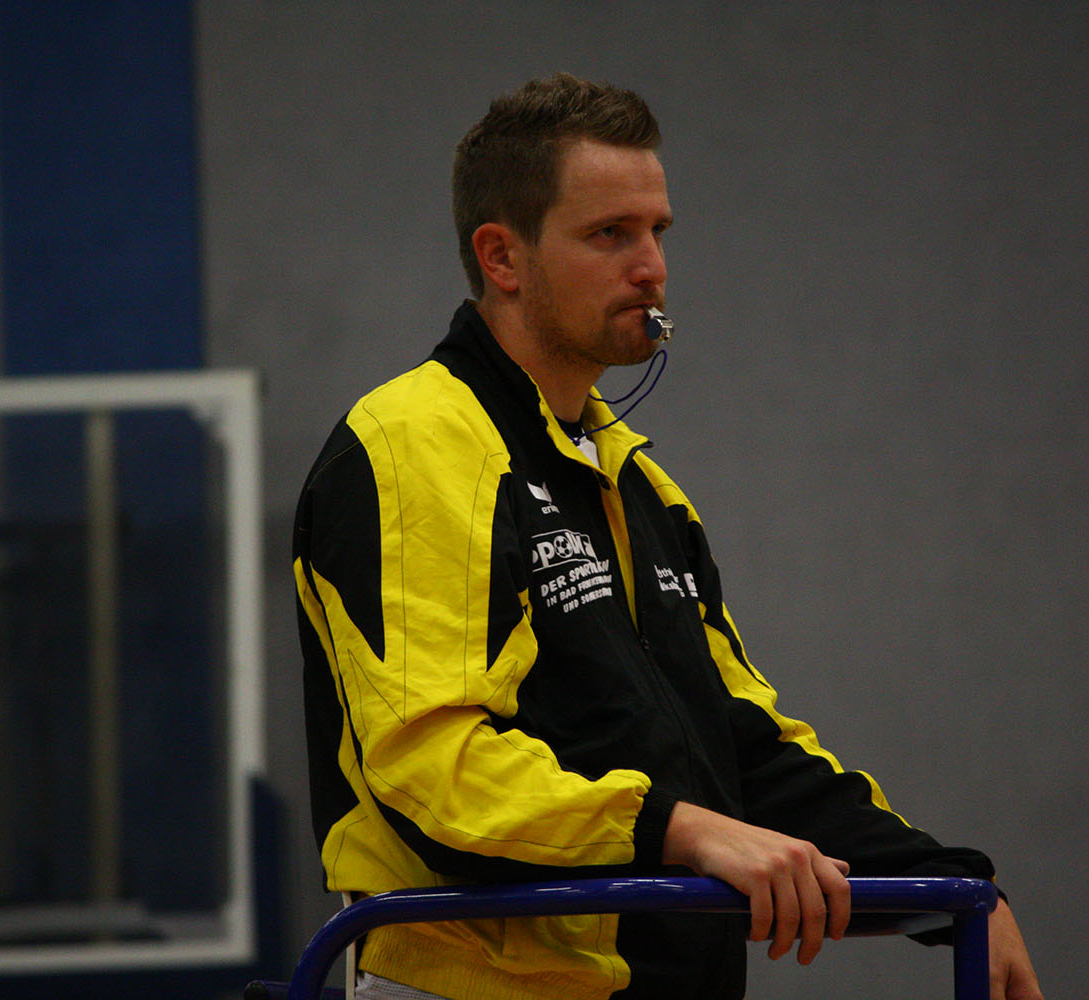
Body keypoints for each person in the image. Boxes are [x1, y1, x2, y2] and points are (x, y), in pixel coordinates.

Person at [294, 72, 1043, 1000]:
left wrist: (960, 890)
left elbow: (738, 746)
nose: (650, 266)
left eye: (658, 232)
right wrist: (682, 831)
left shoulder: (638, 483)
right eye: (610, 234)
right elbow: (433, 771)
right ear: (502, 257)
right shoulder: (411, 444)